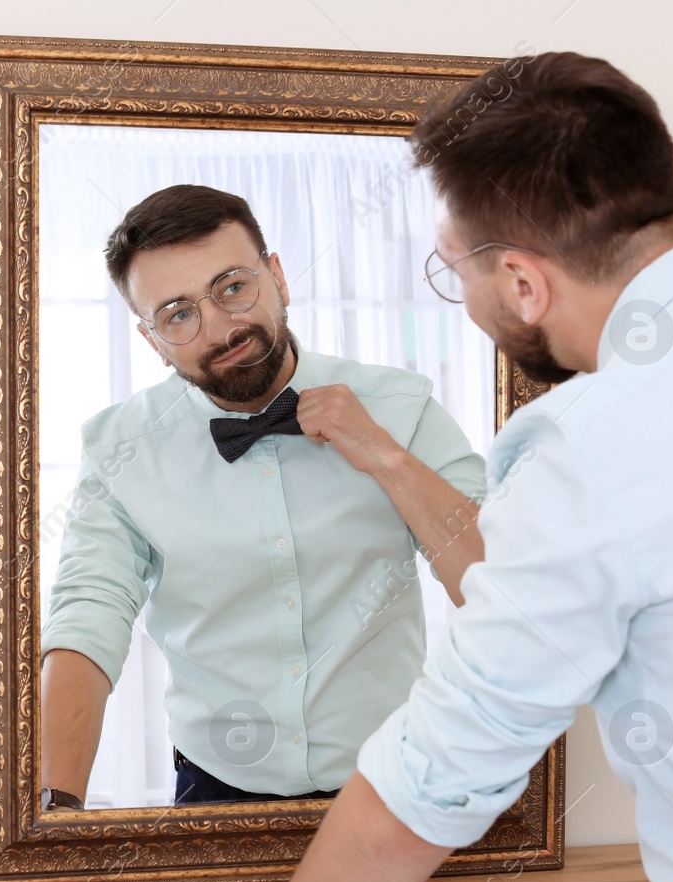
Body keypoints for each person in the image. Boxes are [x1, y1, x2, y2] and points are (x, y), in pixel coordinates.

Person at [65, 50, 673, 882]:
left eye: (454, 267)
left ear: (520, 279)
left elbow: (451, 758)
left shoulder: (586, 445)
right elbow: (86, 608)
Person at [38, 183, 487, 810]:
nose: (220, 327)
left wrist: (385, 456)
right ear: (152, 340)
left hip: (397, 780)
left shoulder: (402, 408)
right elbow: (89, 618)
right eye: (178, 313)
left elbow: (499, 588)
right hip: (215, 788)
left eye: (232, 287)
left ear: (276, 276)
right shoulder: (120, 449)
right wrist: (55, 816)